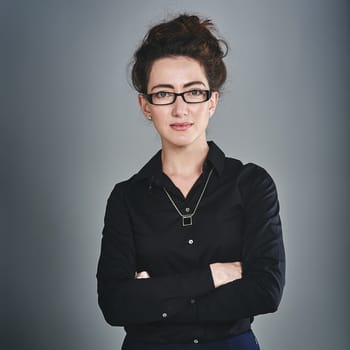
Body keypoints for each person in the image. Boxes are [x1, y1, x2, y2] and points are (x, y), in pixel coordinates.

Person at [96, 13, 285, 350]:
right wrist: (215, 276)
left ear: (212, 100)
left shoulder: (252, 184)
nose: (180, 108)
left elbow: (265, 292)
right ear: (145, 105)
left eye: (193, 92)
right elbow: (115, 304)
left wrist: (154, 296)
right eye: (164, 94)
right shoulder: (126, 198)